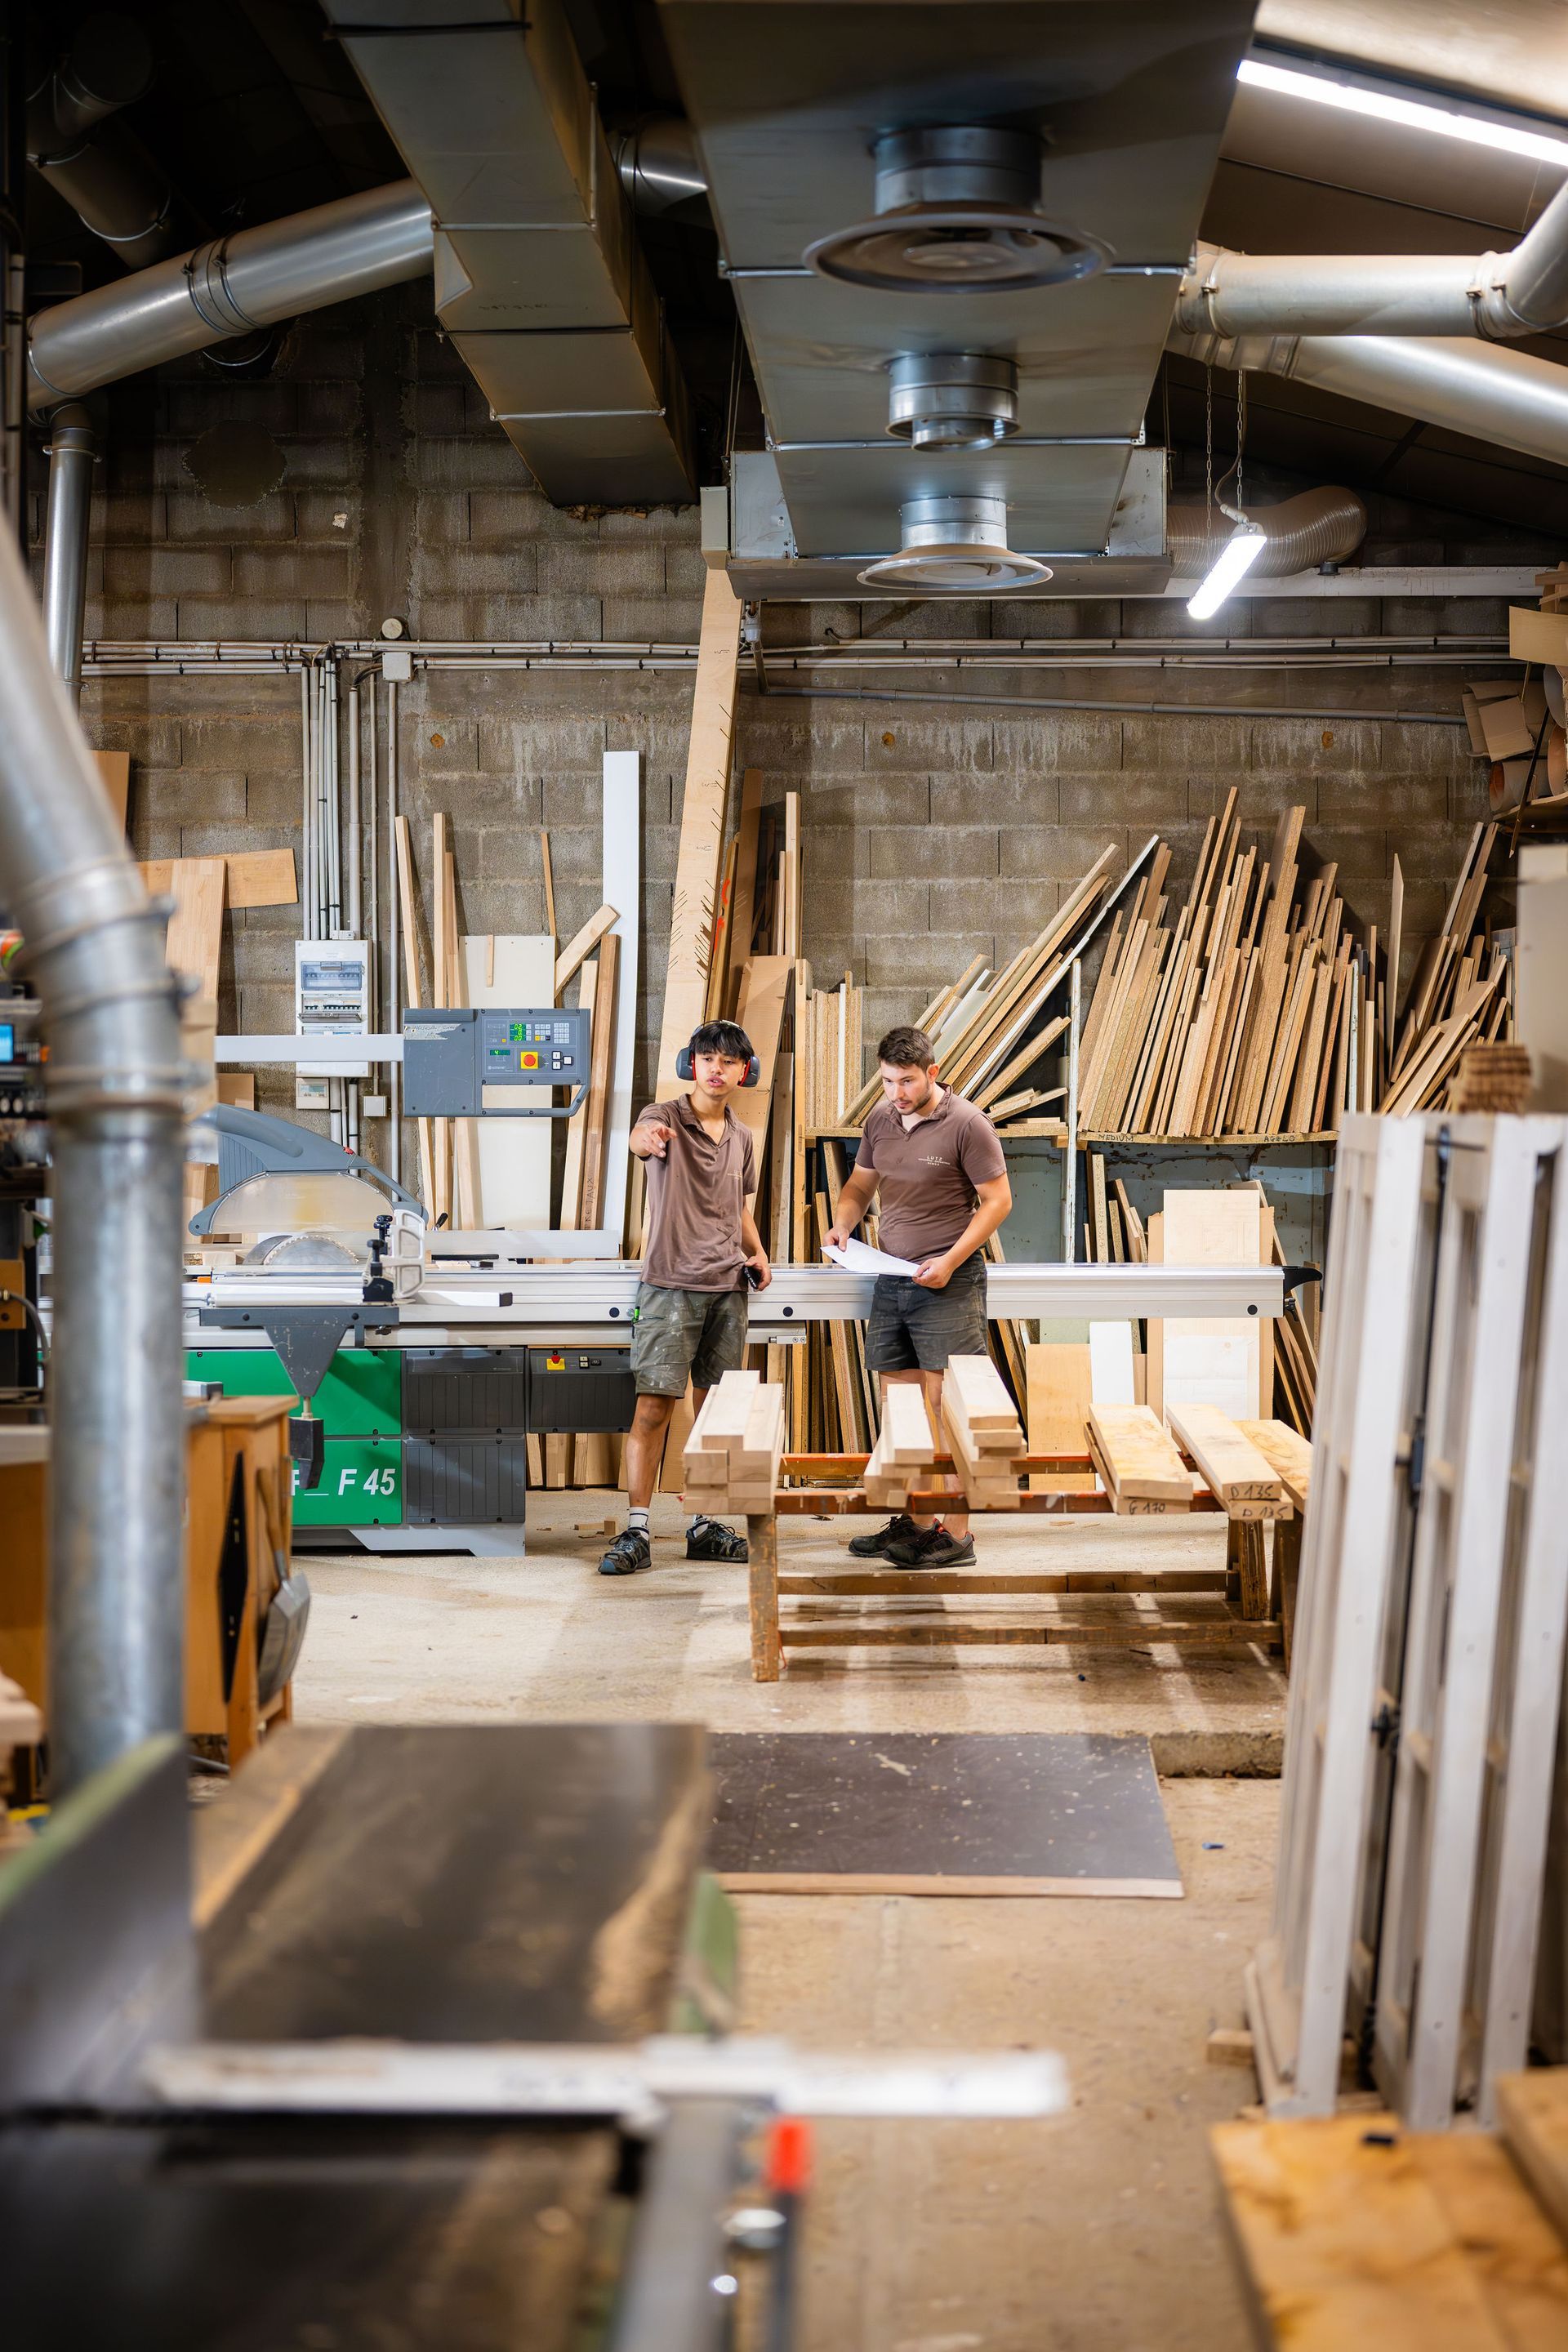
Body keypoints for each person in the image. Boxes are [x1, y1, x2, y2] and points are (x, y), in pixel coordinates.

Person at [824, 1022, 1011, 1567]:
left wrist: (950, 1261)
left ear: (932, 1072)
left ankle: (957, 1533)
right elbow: (861, 1184)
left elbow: (997, 1202)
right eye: (887, 1081)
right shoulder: (880, 1119)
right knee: (900, 1405)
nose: (897, 1093)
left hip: (948, 1284)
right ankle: (919, 1519)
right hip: (890, 1277)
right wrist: (844, 1223)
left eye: (907, 1081)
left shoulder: (967, 1124)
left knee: (944, 1406)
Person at [599, 1019, 772, 1576]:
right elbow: (638, 1139)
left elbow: (738, 1206)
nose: (716, 1070)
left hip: (726, 1288)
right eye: (706, 1060)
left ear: (745, 1071)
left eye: (728, 1062)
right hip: (670, 1285)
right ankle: (638, 1528)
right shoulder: (664, 1119)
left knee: (715, 1413)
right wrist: (644, 1142)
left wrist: (759, 1251)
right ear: (689, 1065)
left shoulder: (744, 1138)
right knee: (653, 1408)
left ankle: (703, 1523)